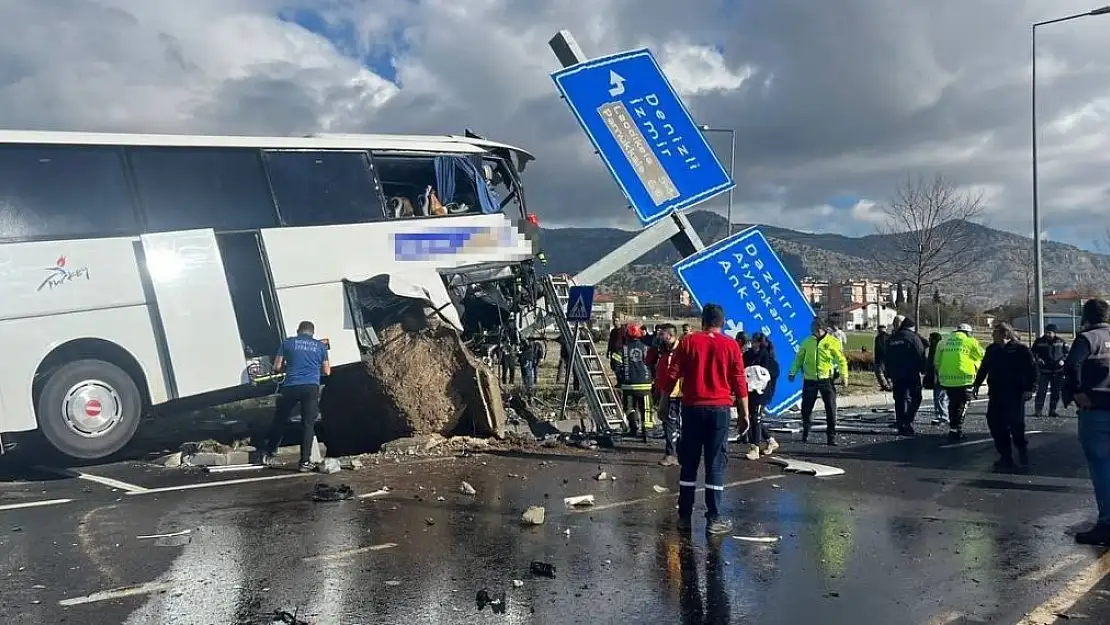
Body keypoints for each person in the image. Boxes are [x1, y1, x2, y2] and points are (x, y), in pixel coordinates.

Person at [661, 303, 749, 535]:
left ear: (703, 321)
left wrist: (663, 402)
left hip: (691, 409)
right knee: (715, 464)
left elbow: (673, 375)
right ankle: (714, 518)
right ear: (722, 322)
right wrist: (744, 413)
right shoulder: (731, 345)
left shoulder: (689, 342)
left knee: (689, 463)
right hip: (719, 410)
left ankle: (684, 517)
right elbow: (740, 381)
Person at [1063, 299, 1110, 545]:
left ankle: (1107, 524)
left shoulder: (1088, 338)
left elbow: (1071, 366)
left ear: (1086, 316)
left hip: (1097, 410)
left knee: (1102, 467)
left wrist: (1078, 392)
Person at [264, 321, 331, 472]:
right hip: (311, 387)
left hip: (291, 386)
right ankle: (304, 462)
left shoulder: (288, 343)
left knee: (281, 418)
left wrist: (287, 368)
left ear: (298, 331)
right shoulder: (321, 347)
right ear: (312, 333)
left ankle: (270, 453)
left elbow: (276, 367)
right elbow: (327, 371)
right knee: (308, 424)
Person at [972, 322, 1037, 470]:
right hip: (996, 392)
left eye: (995, 333)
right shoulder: (992, 349)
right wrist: (976, 384)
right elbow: (984, 368)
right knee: (995, 424)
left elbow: (1032, 370)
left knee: (1016, 424)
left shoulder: (1021, 350)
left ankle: (1021, 449)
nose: (992, 336)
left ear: (1004, 334)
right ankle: (1005, 455)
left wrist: (1030, 389)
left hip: (1015, 393)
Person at [789, 319, 849, 445]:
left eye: (814, 328)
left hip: (825, 379)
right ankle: (806, 428)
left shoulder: (832, 342)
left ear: (820, 328)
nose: (812, 330)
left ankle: (831, 436)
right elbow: (799, 359)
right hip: (810, 380)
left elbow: (841, 360)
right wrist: (792, 372)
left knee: (831, 408)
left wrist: (844, 376)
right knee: (806, 408)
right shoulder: (807, 342)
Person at [934, 323, 985, 441]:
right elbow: (982, 355)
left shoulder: (942, 342)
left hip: (947, 379)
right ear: (968, 333)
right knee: (962, 405)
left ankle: (953, 428)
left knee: (952, 403)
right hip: (965, 379)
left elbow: (936, 362)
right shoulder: (970, 341)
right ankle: (957, 429)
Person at [884, 317, 927, 436]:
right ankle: (907, 421)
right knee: (916, 397)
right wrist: (924, 369)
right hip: (911, 372)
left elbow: (886, 357)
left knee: (900, 399)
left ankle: (901, 424)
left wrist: (888, 373)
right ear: (912, 327)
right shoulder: (913, 337)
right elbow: (920, 354)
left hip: (896, 374)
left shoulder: (892, 338)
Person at [648, 323, 683, 466]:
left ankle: (675, 453)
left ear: (669, 335)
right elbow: (649, 362)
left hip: (678, 393)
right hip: (664, 391)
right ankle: (672, 453)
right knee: (668, 423)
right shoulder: (662, 350)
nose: (659, 337)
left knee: (675, 424)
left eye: (661, 334)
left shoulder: (681, 350)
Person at [613, 323, 654, 441]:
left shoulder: (621, 349)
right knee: (646, 409)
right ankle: (647, 432)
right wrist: (653, 378)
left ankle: (633, 428)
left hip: (628, 385)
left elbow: (615, 365)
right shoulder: (647, 348)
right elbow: (654, 365)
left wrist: (621, 379)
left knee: (629, 407)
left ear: (627, 335)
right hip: (645, 385)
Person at [743, 333, 780, 456]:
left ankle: (755, 448)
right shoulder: (747, 356)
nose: (751, 344)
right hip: (750, 390)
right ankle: (770, 440)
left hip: (762, 392)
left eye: (753, 341)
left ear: (758, 343)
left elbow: (773, 374)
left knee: (756, 417)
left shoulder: (767, 358)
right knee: (753, 418)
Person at [1032, 323, 1069, 417]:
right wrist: (1038, 359)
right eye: (1047, 332)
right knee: (1041, 391)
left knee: (1055, 392)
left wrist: (1063, 361)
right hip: (1044, 371)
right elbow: (1033, 353)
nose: (1048, 334)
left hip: (1058, 371)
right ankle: (1038, 410)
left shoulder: (1061, 342)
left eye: (1050, 333)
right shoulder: (1039, 342)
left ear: (1054, 333)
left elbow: (1068, 354)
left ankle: (1052, 410)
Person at [925, 332, 949, 424]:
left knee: (940, 396)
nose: (929, 340)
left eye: (930, 338)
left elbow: (934, 362)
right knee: (940, 396)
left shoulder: (937, 347)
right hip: (941, 373)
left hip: (939, 373)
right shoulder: (939, 346)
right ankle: (941, 415)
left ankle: (943, 416)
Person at [873, 325, 893, 392]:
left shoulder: (878, 338)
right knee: (887, 372)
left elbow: (877, 349)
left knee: (880, 373)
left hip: (880, 358)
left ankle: (885, 386)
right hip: (889, 358)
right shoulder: (890, 336)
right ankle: (890, 385)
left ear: (879, 330)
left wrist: (876, 359)